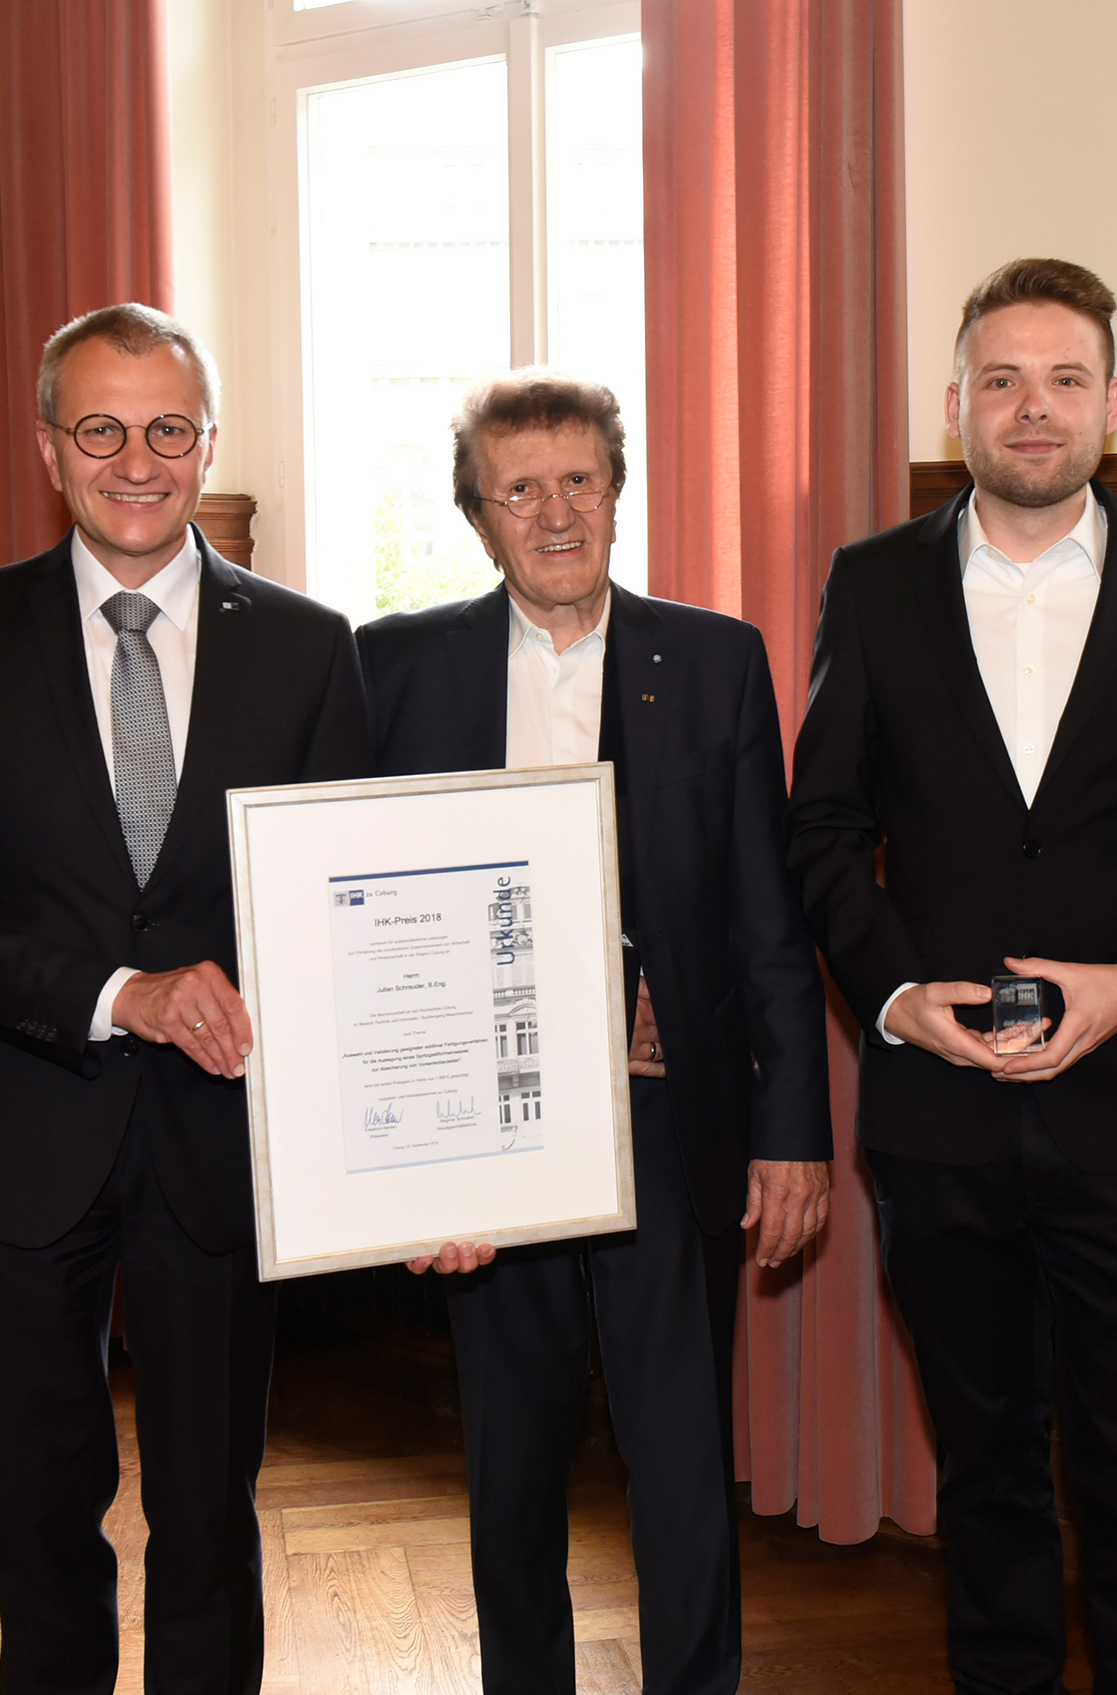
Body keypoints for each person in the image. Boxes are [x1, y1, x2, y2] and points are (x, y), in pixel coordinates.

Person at [787, 258, 1117, 1694]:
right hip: (939, 1125)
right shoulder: (874, 583)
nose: (1034, 406)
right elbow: (823, 823)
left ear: (1113, 406)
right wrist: (900, 1000)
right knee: (990, 1475)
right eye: (1002, 378)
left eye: (1064, 377)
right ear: (957, 404)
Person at [0, 303, 369, 1695]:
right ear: (50, 446)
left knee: (211, 1508)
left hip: (225, 1142)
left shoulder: (314, 647)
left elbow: (350, 910)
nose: (135, 460)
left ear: (207, 446)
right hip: (24, 1135)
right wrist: (115, 992)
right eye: (102, 428)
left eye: (167, 429)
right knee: (42, 1507)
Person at [358, 370, 833, 1695]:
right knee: (510, 1447)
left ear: (618, 493)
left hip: (665, 1111)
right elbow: (361, 896)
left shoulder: (718, 658)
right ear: (479, 515)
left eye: (580, 479)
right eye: (522, 488)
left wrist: (792, 1129)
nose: (556, 511)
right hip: (480, 1121)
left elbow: (765, 917)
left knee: (680, 1446)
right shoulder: (395, 666)